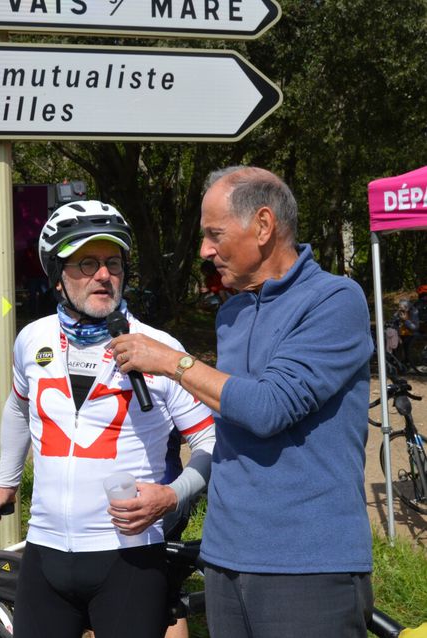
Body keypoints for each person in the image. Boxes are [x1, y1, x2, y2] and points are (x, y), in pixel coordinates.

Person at [109, 166, 374, 637]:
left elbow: (268, 408)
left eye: (214, 234)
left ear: (264, 225)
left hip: (307, 566)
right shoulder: (230, 312)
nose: (205, 251)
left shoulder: (335, 300)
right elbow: (226, 423)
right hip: (226, 558)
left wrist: (173, 362)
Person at [0, 200, 215, 638]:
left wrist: (171, 496)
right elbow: (17, 406)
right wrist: (4, 486)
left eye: (113, 263)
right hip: (45, 551)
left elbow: (211, 441)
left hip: (128, 557)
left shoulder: (157, 346)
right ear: (58, 275)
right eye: (87, 262)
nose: (103, 275)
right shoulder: (33, 339)